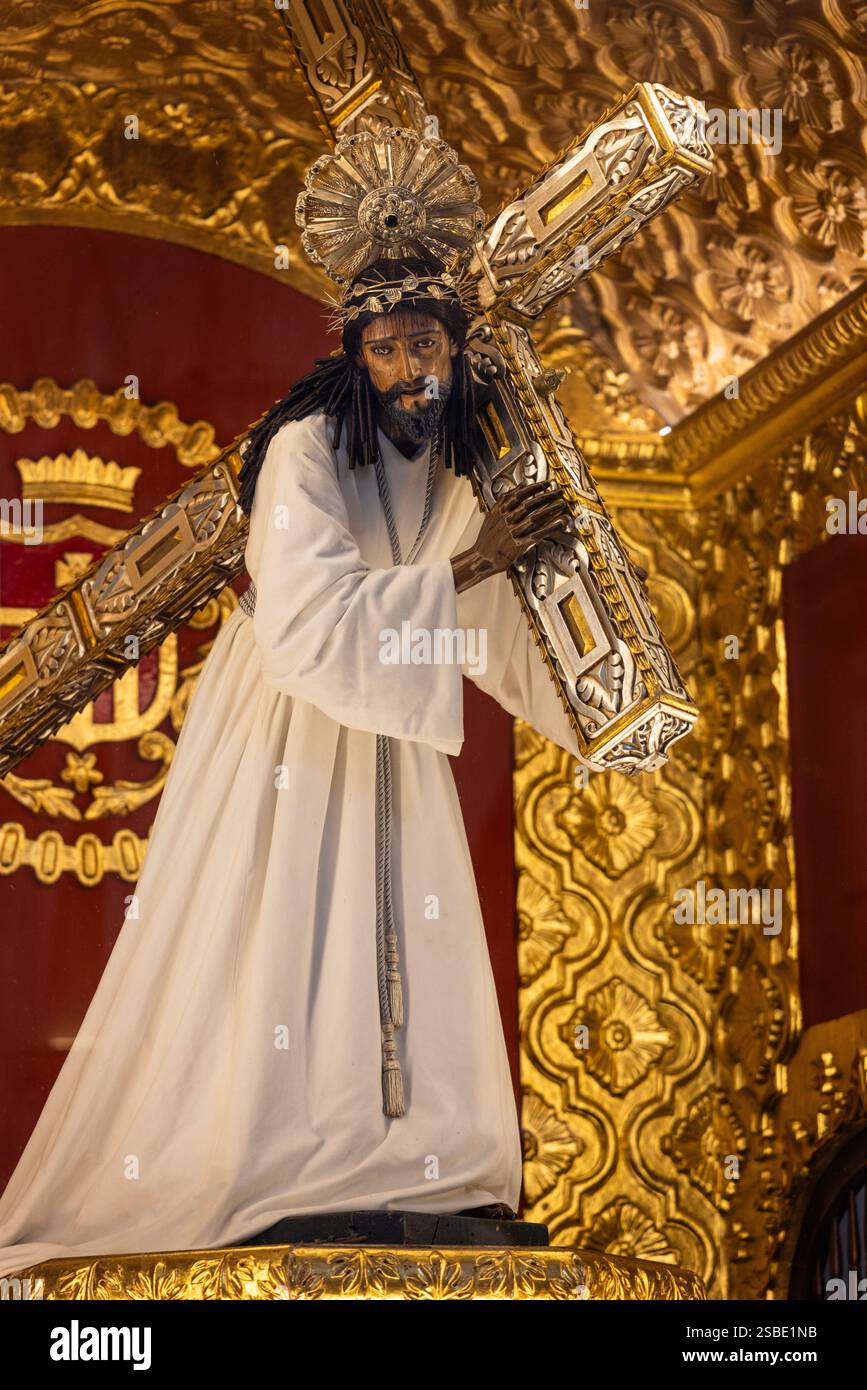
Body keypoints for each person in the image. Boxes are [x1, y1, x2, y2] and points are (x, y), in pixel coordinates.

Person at [0, 236, 584, 1279]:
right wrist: (475, 560)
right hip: (292, 721)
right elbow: (309, 621)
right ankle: (282, 1148)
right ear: (356, 357)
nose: (414, 368)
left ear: (457, 350)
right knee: (284, 920)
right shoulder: (306, 449)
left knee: (406, 918)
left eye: (430, 343)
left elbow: (487, 620)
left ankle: (411, 1152)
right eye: (392, 346)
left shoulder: (457, 462)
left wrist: (583, 669)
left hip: (398, 728)